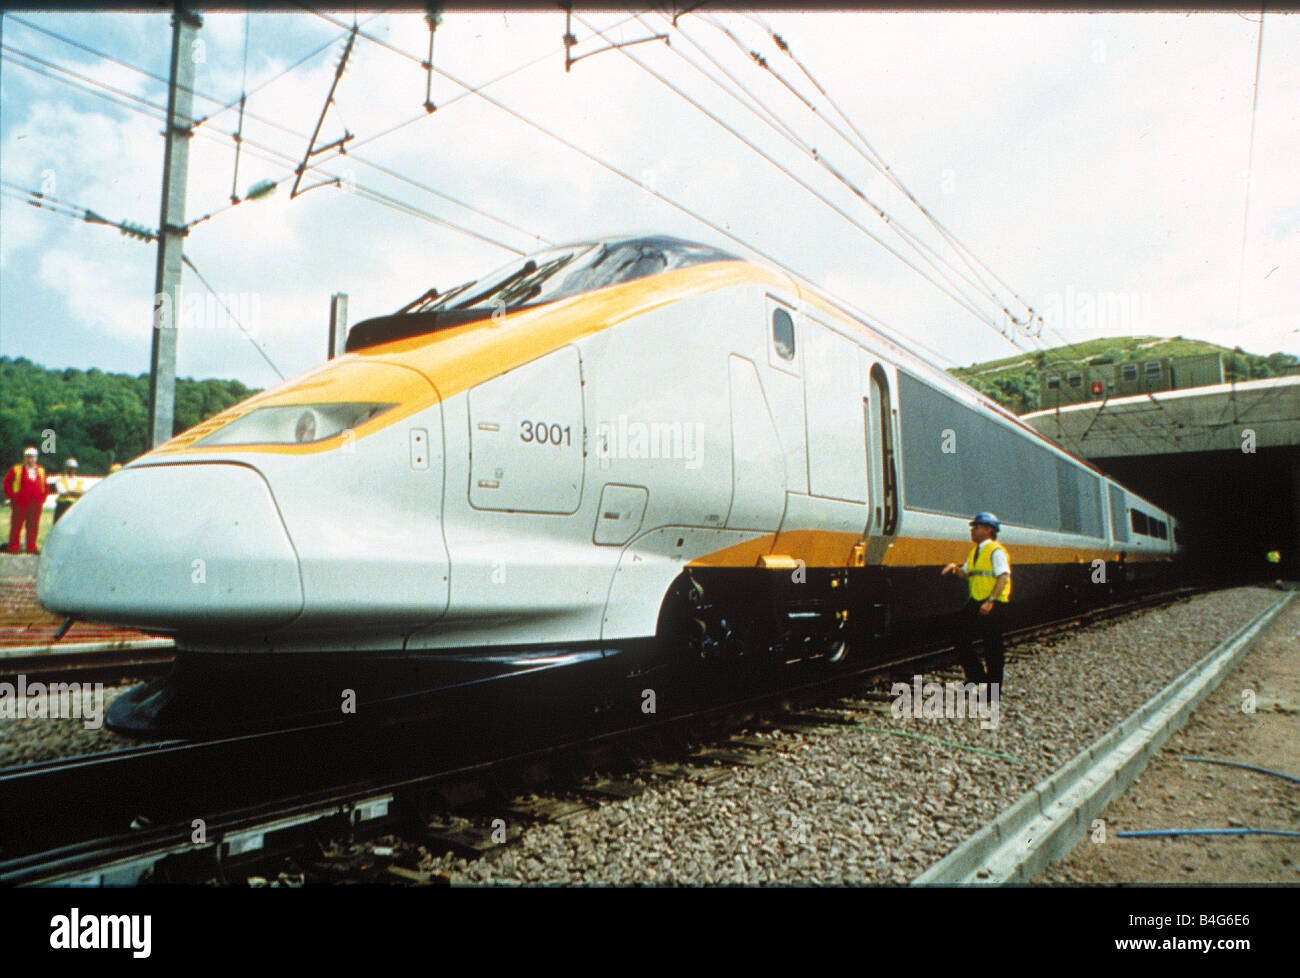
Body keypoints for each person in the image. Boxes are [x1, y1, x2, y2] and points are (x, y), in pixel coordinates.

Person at [941, 511, 1012, 690]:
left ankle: (992, 691)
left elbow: (1003, 577)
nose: (972, 530)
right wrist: (954, 569)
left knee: (992, 648)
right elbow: (966, 573)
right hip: (977, 601)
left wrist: (990, 601)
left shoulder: (996, 551)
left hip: (993, 604)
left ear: (988, 530)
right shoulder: (975, 551)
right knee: (958, 634)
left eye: (976, 527)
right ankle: (976, 676)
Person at [3, 447, 50, 554]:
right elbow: (6, 483)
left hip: (36, 503)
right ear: (24, 458)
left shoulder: (41, 470)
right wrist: (11, 496)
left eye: (32, 457)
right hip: (20, 502)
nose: (30, 459)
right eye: (28, 457)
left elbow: (45, 486)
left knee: (33, 525)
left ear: (36, 458)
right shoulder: (17, 469)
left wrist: (42, 498)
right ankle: (13, 546)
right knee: (16, 524)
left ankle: (31, 547)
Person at [51, 457, 87, 523]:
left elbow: (83, 494)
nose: (71, 470)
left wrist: (70, 493)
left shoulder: (79, 481)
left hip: (75, 506)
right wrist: (76, 493)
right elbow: (63, 494)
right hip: (63, 506)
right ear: (66, 468)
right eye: (69, 468)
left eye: (73, 468)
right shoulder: (60, 480)